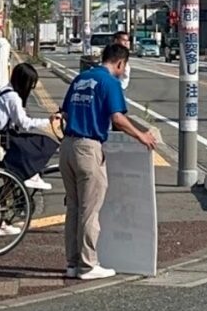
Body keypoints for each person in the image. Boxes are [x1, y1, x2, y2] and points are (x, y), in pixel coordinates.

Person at [60, 43, 156, 280]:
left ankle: (72, 263)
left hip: (67, 146)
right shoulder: (110, 83)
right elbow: (117, 118)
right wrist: (141, 135)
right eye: (125, 67)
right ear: (121, 63)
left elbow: (64, 113)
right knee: (89, 211)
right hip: (88, 148)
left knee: (73, 208)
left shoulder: (81, 79)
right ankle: (88, 265)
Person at [0, 63, 60, 192]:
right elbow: (24, 123)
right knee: (43, 143)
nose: (32, 87)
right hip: (3, 137)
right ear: (24, 82)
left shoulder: (4, 90)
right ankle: (31, 174)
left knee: (30, 140)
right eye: (31, 83)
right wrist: (48, 122)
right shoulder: (13, 97)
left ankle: (28, 175)